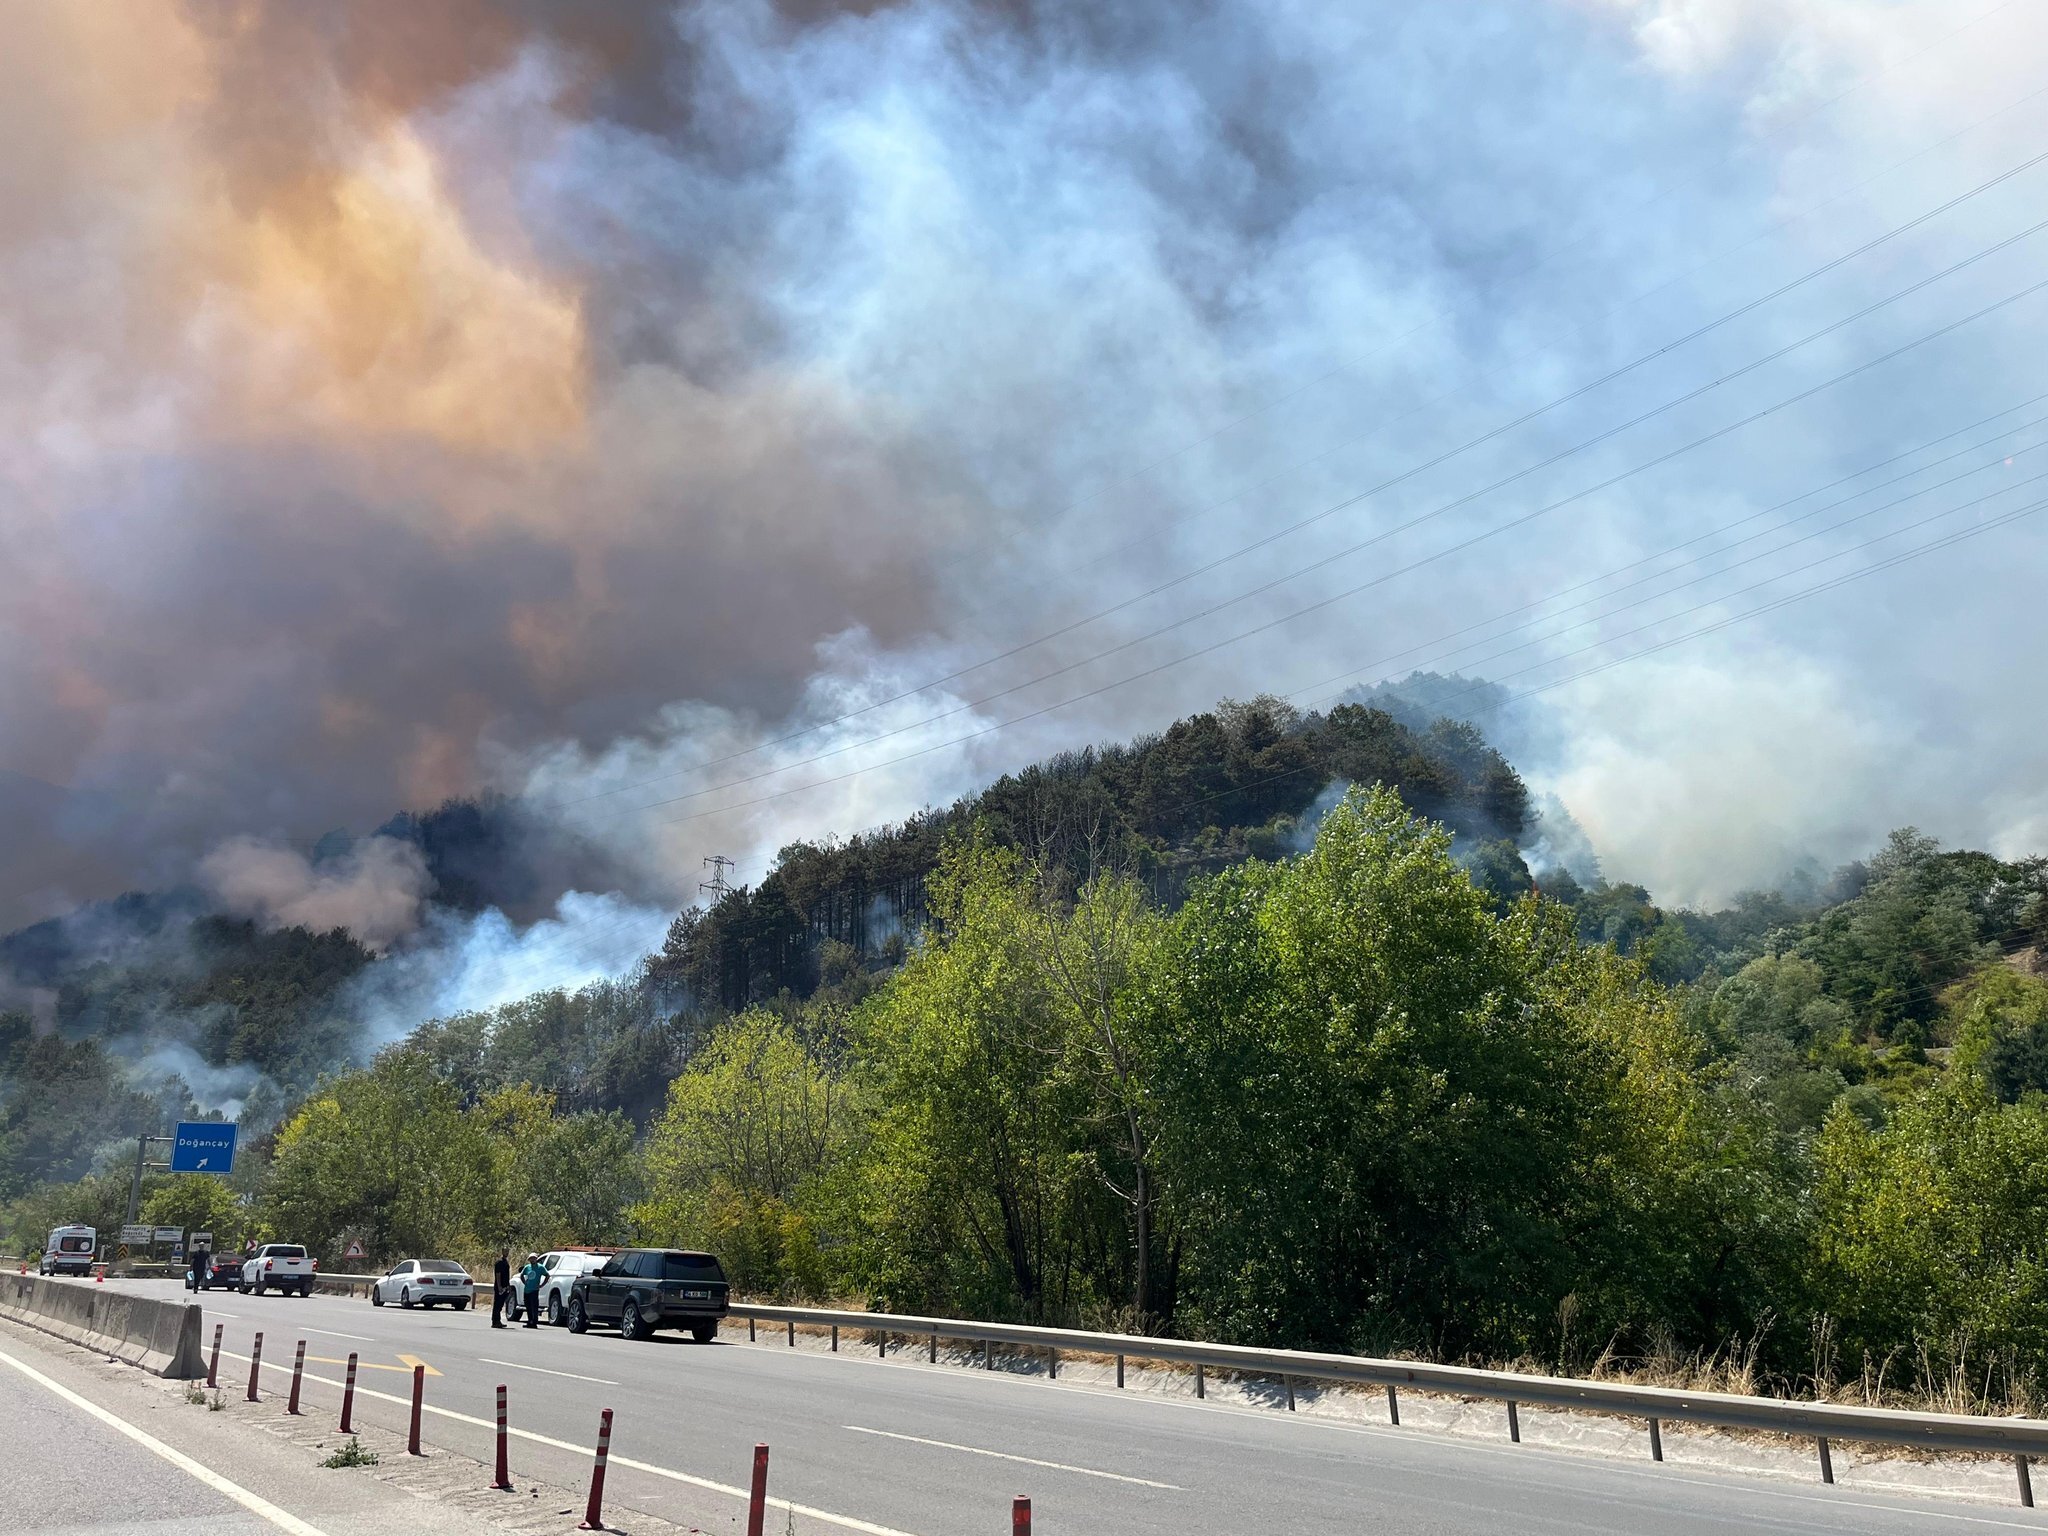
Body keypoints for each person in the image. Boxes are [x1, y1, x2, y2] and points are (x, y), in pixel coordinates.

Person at [519, 1253, 545, 1330]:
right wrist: (525, 1282)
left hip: (534, 1290)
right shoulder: (527, 1267)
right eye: (531, 1258)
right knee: (528, 1306)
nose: (532, 1260)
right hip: (527, 1290)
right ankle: (530, 1321)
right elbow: (521, 1275)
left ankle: (534, 1322)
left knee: (534, 1306)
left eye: (534, 1258)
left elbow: (547, 1275)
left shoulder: (540, 1268)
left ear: (536, 1259)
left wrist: (541, 1285)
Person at [491, 1249, 511, 1329]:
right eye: (505, 1251)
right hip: (500, 1287)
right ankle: (495, 1321)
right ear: (502, 1252)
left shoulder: (505, 1262)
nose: (506, 1253)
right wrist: (499, 1287)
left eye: (507, 1251)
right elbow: (498, 1275)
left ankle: (498, 1320)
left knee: (500, 1305)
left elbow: (507, 1275)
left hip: (505, 1286)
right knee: (497, 1305)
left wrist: (508, 1285)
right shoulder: (499, 1262)